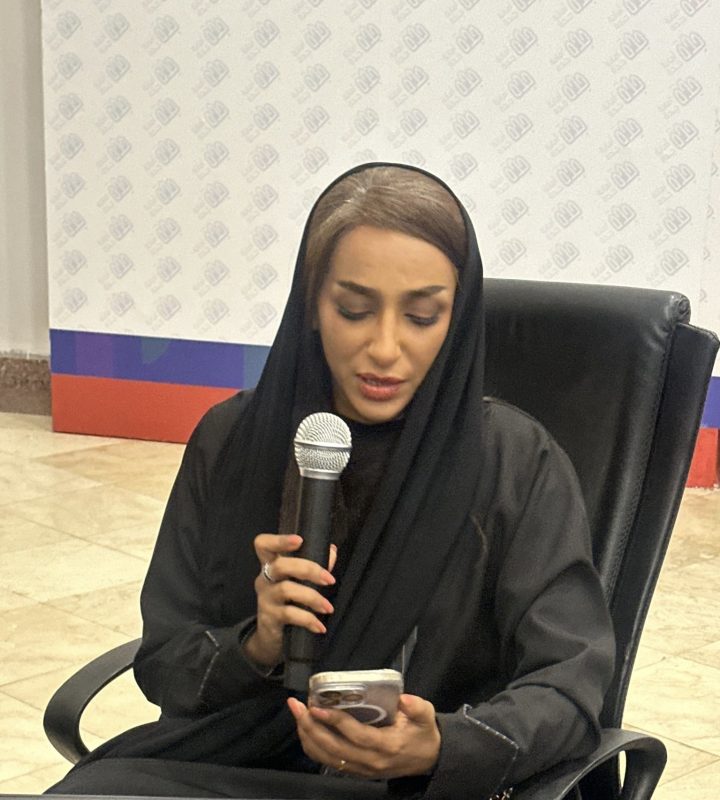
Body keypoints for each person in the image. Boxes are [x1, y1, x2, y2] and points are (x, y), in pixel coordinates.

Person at [47, 163, 615, 799]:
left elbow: (569, 685)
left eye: (422, 316)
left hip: (418, 788)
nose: (385, 348)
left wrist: (442, 745)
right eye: (354, 309)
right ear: (312, 305)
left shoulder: (515, 463)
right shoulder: (231, 442)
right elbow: (165, 665)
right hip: (231, 768)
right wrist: (258, 643)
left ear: (456, 321)